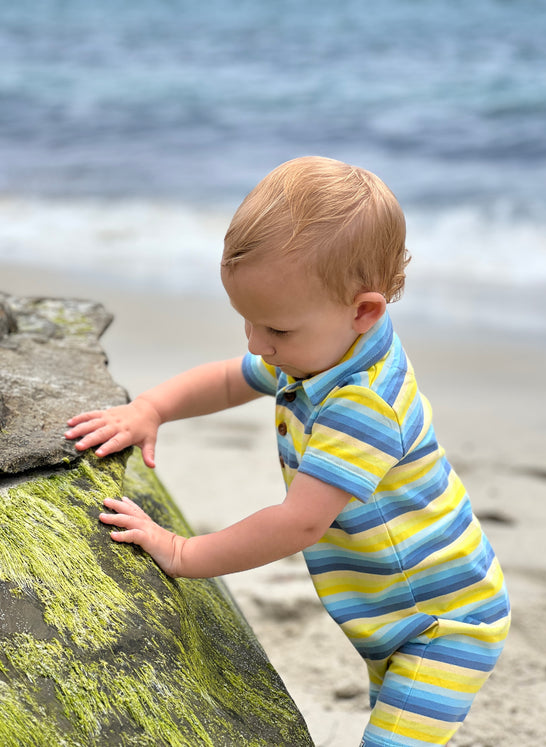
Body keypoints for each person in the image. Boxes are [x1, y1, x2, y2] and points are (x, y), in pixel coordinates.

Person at [65, 156, 510, 747]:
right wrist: (151, 409)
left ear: (364, 310)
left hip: (441, 622)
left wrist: (181, 551)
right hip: (388, 609)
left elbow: (297, 523)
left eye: (274, 330)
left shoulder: (364, 404)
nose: (257, 344)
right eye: (247, 321)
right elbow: (231, 378)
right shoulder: (323, 347)